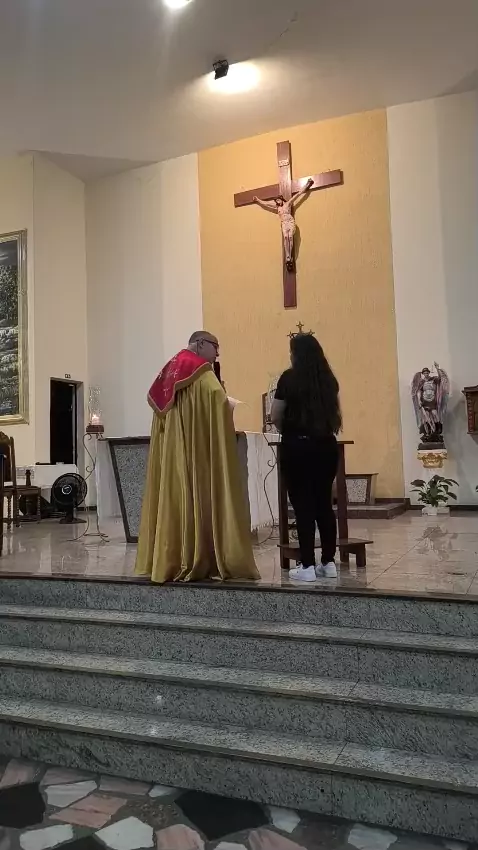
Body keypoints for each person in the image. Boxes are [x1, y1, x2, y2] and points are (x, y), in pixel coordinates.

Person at [135, 331, 259, 583]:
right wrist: (226, 401)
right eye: (215, 347)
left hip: (173, 452)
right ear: (201, 344)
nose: (217, 354)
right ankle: (197, 557)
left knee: (174, 498)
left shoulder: (170, 368)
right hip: (197, 451)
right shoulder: (200, 371)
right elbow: (218, 401)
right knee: (199, 497)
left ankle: (170, 559)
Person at [271, 333, 342, 582]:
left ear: (297, 354)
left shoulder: (289, 378)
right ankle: (329, 562)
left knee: (303, 506)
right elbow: (333, 412)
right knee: (323, 504)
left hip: (298, 447)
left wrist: (291, 432)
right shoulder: (329, 380)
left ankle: (307, 566)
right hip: (326, 446)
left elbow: (276, 415)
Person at [253, 178, 314, 270]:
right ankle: (288, 257)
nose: (277, 202)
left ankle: (290, 257)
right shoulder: (278, 208)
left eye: (278, 200)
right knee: (286, 237)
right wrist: (258, 200)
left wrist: (307, 185)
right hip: (284, 223)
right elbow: (266, 204)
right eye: (276, 201)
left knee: (290, 237)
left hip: (290, 221)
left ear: (281, 199)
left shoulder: (288, 204)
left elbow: (298, 195)